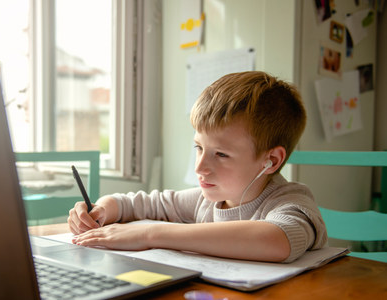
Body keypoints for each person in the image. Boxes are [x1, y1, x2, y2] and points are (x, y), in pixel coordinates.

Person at [67, 71, 328, 263]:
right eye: (199, 148)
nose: (200, 167)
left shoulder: (291, 200)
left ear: (270, 161)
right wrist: (101, 210)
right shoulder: (207, 201)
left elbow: (277, 239)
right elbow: (139, 203)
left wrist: (149, 234)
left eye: (222, 154)